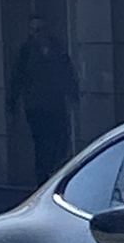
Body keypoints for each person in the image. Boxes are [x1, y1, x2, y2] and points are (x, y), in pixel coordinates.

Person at [7, 16, 79, 186]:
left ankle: (54, 173)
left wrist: (73, 94)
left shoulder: (57, 49)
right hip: (35, 106)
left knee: (61, 140)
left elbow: (67, 72)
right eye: (35, 30)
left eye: (41, 30)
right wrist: (12, 103)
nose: (39, 34)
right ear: (31, 33)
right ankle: (42, 180)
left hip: (55, 104)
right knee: (41, 143)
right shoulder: (26, 52)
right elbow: (17, 78)